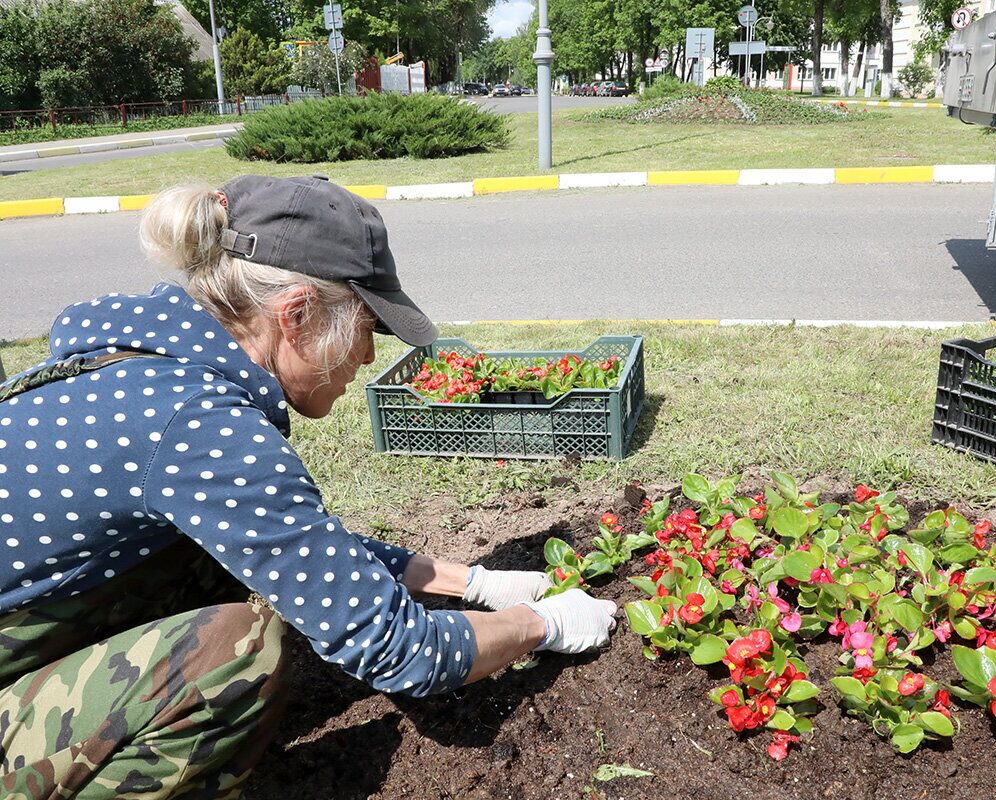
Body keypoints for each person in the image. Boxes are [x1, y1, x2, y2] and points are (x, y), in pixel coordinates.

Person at [0, 175, 619, 799]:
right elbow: (404, 651)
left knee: (225, 573)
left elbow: (297, 549)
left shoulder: (144, 363)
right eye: (367, 328)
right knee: (234, 654)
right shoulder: (193, 424)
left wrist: (476, 583)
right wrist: (538, 625)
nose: (369, 358)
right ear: (296, 314)